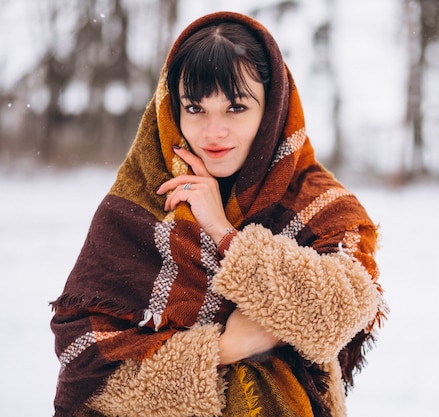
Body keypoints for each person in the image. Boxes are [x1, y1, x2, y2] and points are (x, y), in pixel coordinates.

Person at [51, 11, 386, 417]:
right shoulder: (134, 209)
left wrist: (226, 234)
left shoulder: (319, 204)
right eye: (195, 108)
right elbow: (92, 379)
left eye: (236, 108)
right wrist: (223, 349)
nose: (213, 132)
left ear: (272, 110)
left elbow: (341, 311)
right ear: (171, 109)